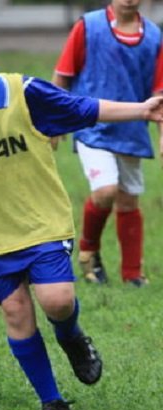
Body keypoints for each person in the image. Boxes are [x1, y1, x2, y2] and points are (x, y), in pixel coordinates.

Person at [0, 21, 163, 410]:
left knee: (57, 300)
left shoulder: (25, 93)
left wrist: (142, 109)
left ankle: (71, 336)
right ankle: (52, 401)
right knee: (17, 312)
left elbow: (84, 108)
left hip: (43, 221)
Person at [52, 0, 163, 287]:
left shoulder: (153, 36)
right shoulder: (88, 26)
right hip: (93, 127)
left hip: (132, 129)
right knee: (106, 191)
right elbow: (63, 74)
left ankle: (132, 275)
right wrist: (54, 120)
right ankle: (89, 252)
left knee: (128, 199)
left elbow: (160, 93)